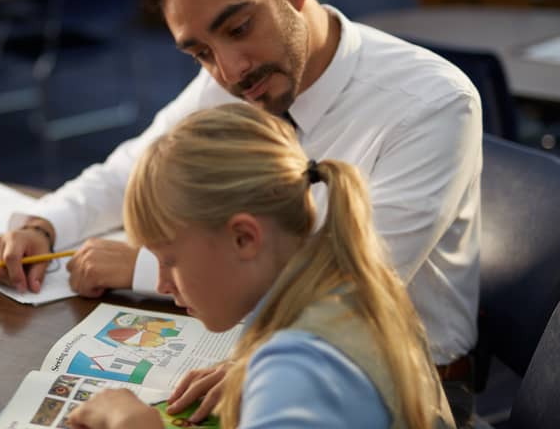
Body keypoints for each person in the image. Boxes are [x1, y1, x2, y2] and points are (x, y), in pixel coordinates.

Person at [0, 0, 481, 423]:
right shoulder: (240, 74)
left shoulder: (432, 102)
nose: (228, 69)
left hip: (399, 381)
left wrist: (150, 266)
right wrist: (44, 224)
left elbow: (350, 276)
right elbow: (140, 165)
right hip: (261, 339)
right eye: (200, 52)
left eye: (240, 27)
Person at [66, 103, 455, 428]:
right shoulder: (346, 283)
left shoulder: (301, 368)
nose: (164, 284)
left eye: (170, 261)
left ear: (244, 238)